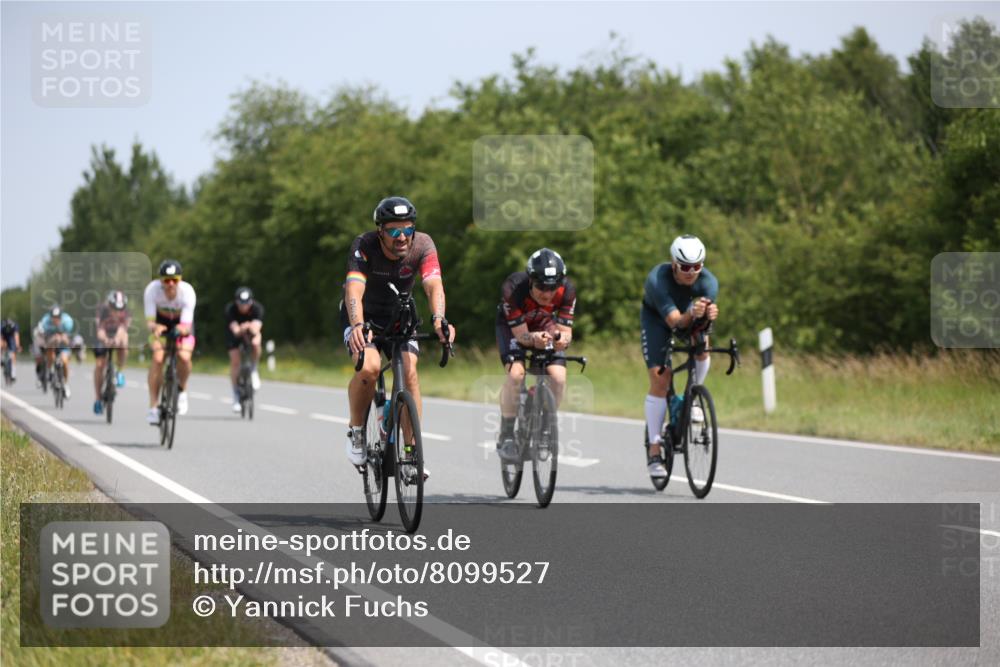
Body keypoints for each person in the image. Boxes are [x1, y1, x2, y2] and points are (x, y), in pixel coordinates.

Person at [341, 196, 455, 469]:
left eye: (407, 229)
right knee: (370, 368)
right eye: (394, 230)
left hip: (400, 317)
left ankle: (410, 452)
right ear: (380, 230)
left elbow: (433, 285)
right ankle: (356, 432)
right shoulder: (364, 245)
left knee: (410, 371)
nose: (402, 236)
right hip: (364, 317)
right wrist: (357, 324)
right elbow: (354, 289)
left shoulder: (423, 245)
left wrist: (439, 318)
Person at [641, 234, 719, 478]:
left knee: (703, 343)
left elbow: (698, 326)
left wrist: (707, 316)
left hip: (688, 318)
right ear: (674, 263)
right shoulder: (657, 280)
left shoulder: (709, 283)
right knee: (660, 379)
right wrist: (692, 313)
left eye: (696, 267)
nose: (690, 272)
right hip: (657, 321)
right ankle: (655, 449)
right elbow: (676, 322)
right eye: (685, 267)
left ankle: (694, 395)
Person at [494, 248, 577, 462]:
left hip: (544, 325)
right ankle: (507, 435)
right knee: (516, 375)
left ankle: (545, 428)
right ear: (531, 280)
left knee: (558, 377)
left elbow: (566, 333)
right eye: (541, 286)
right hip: (512, 328)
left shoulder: (567, 290)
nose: (547, 293)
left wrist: (561, 340)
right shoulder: (512, 288)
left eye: (553, 287)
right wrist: (534, 340)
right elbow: (521, 336)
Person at [143, 259, 197, 425]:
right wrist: (155, 328)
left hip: (182, 325)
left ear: (180, 280)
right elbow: (150, 321)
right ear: (161, 281)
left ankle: (182, 390)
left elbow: (187, 326)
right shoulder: (152, 290)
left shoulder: (187, 292)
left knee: (184, 356)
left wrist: (181, 331)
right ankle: (153, 407)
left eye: (175, 280)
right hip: (160, 325)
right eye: (167, 280)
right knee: (158, 358)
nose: (171, 284)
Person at [224, 286, 264, 412]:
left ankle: (254, 369)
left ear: (251, 302)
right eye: (241, 303)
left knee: (256, 342)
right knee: (235, 362)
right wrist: (243, 327)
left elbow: (256, 329)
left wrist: (248, 327)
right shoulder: (230, 309)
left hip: (250, 333)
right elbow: (236, 331)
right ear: (237, 302)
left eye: (247, 303)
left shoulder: (257, 308)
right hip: (234, 335)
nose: (244, 306)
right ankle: (236, 395)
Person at [93, 290, 131, 415]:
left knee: (124, 342)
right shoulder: (101, 311)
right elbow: (100, 330)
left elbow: (122, 329)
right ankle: (98, 399)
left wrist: (116, 340)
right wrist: (105, 340)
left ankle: (120, 371)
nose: (117, 311)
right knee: (100, 365)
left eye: (120, 309)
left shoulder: (126, 313)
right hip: (103, 335)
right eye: (114, 308)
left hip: (117, 335)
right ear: (109, 305)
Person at [38, 305, 75, 396]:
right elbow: (42, 336)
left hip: (63, 342)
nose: (55, 320)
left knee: (65, 362)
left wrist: (62, 338)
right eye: (53, 317)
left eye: (57, 318)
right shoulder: (45, 321)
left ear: (61, 317)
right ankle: (51, 370)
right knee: (49, 350)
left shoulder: (67, 321)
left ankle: (65, 384)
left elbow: (68, 339)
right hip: (50, 339)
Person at [1, 318, 21, 382]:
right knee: (1, 345)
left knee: (13, 354)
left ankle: (13, 374)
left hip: (11, 338)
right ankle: (1, 359)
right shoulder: (2, 326)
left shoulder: (15, 326)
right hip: (3, 337)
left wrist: (17, 346)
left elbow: (16, 336)